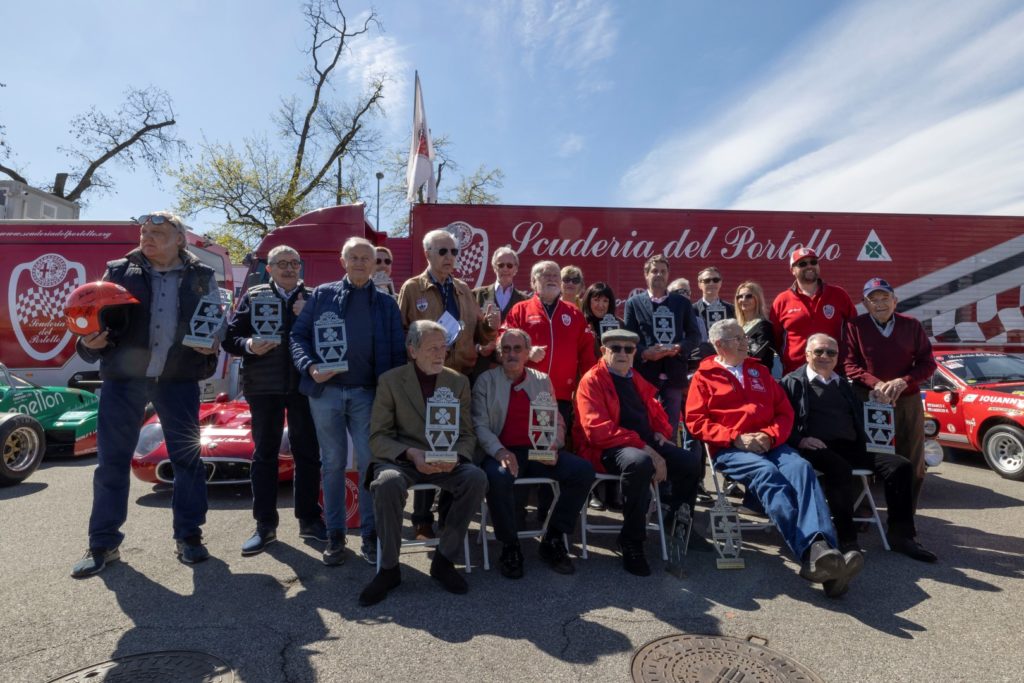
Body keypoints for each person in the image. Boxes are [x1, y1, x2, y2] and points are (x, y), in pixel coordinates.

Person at [71, 211, 221, 577]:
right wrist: (88, 343)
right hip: (124, 380)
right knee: (111, 462)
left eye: (157, 232)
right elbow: (91, 318)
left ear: (180, 239)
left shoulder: (202, 275)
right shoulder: (119, 271)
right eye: (144, 232)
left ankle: (189, 536)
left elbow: (217, 320)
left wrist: (213, 343)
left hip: (178, 380)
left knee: (187, 460)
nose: (147, 237)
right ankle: (102, 543)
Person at [686, 319, 862, 598]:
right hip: (731, 449)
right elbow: (696, 422)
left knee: (802, 468)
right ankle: (815, 551)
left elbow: (784, 412)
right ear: (719, 345)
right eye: (737, 338)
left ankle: (823, 557)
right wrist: (735, 437)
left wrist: (769, 435)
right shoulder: (703, 377)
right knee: (767, 474)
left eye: (744, 337)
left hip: (771, 444)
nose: (745, 342)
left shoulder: (759, 371)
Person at [291, 237, 407, 566]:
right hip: (325, 393)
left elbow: (397, 353)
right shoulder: (322, 295)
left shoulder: (386, 304)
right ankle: (335, 535)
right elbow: (298, 336)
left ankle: (370, 535)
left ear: (374, 264)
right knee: (332, 464)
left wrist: (392, 397)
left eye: (365, 258)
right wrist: (310, 366)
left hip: (367, 394)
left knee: (370, 464)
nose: (359, 263)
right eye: (353, 257)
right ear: (343, 262)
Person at [359, 321, 488, 606]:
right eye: (432, 348)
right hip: (405, 459)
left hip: (446, 459)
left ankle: (444, 560)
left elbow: (467, 435)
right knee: (387, 482)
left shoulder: (458, 382)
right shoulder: (391, 381)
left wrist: (456, 457)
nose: (440, 354)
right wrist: (411, 454)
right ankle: (389, 568)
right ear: (413, 350)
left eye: (443, 347)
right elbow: (378, 437)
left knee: (475, 478)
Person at [782, 334, 935, 562]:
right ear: (807, 355)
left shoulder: (842, 384)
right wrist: (799, 440)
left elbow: (857, 414)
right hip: (814, 446)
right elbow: (780, 418)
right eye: (819, 351)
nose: (825, 356)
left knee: (900, 466)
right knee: (839, 469)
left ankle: (902, 536)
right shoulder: (792, 382)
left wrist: (874, 401)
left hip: (850, 445)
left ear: (837, 357)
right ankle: (847, 540)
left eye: (831, 353)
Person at [574, 329, 702, 576]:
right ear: (604, 351)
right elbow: (596, 431)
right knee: (641, 463)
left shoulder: (635, 378)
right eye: (616, 348)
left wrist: (660, 432)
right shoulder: (592, 380)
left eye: (629, 349)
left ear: (634, 352)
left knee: (690, 462)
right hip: (606, 448)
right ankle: (631, 540)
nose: (623, 353)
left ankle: (677, 525)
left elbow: (655, 413)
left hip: (642, 444)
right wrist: (645, 448)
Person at [397, 228, 499, 538]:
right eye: (443, 251)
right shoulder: (412, 288)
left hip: (460, 380)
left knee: (454, 446)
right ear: (427, 253)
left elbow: (478, 335)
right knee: (427, 445)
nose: (450, 257)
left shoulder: (464, 290)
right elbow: (400, 332)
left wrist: (490, 327)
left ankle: (448, 515)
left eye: (454, 252)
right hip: (425, 379)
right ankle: (421, 518)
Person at [223, 245, 323, 556]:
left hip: (303, 386)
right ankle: (265, 525)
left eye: (295, 263)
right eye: (282, 263)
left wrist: (310, 316)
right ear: (269, 268)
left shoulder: (315, 297)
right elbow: (230, 339)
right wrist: (249, 345)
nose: (290, 268)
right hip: (263, 387)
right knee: (264, 455)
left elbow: (332, 339)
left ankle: (309, 519)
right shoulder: (254, 297)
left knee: (308, 453)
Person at [472, 328, 595, 578]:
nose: (511, 354)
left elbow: (556, 420)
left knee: (582, 471)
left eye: (517, 348)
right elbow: (479, 425)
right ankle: (510, 546)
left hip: (538, 451)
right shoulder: (486, 380)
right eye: (506, 349)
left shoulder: (541, 379)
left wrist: (555, 444)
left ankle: (553, 538)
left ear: (528, 353)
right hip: (502, 451)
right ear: (500, 353)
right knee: (497, 477)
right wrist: (499, 451)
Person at [843, 277, 937, 519]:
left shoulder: (912, 325)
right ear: (865, 303)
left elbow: (928, 363)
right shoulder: (855, 326)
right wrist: (877, 384)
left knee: (911, 460)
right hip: (868, 399)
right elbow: (849, 364)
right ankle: (863, 514)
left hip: (906, 401)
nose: (880, 303)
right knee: (863, 457)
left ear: (895, 301)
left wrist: (903, 381)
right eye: (873, 299)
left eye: (885, 298)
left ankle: (904, 519)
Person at [504, 260, 596, 431]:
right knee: (524, 439)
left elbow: (587, 355)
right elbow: (503, 343)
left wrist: (589, 387)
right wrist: (526, 353)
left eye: (556, 275)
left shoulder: (574, 313)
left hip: (561, 395)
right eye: (546, 275)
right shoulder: (520, 310)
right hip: (525, 391)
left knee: (555, 442)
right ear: (533, 282)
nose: (552, 279)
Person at [624, 255, 701, 437]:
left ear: (668, 274)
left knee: (669, 430)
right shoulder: (633, 303)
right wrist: (645, 353)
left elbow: (694, 336)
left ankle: (669, 454)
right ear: (646, 274)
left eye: (663, 271)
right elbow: (629, 337)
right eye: (654, 271)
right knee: (643, 426)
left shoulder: (682, 303)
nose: (659, 274)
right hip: (645, 375)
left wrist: (679, 347)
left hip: (674, 375)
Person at [770, 248, 856, 374]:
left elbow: (854, 333)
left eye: (813, 262)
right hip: (794, 374)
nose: (809, 266)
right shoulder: (782, 300)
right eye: (802, 264)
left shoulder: (839, 295)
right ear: (792, 270)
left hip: (833, 372)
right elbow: (776, 339)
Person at [471, 245, 528, 380]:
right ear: (494, 267)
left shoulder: (525, 301)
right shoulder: (476, 295)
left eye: (509, 265)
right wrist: (478, 348)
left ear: (515, 269)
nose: (505, 269)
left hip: (512, 368)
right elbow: (468, 330)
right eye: (500, 265)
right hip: (482, 367)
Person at [734, 281, 776, 372]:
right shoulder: (735, 326)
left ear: (757, 299)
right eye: (740, 296)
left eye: (748, 296)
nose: (743, 299)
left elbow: (759, 354)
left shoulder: (764, 326)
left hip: (757, 374)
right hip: (737, 372)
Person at [582, 281, 622, 358]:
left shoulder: (619, 324)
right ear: (588, 301)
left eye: (605, 301)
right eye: (596, 300)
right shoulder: (581, 325)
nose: (601, 305)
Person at [693, 266, 735, 331]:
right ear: (699, 284)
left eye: (715, 280)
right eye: (707, 280)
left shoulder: (731, 309)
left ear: (720, 283)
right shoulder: (691, 310)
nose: (711, 283)